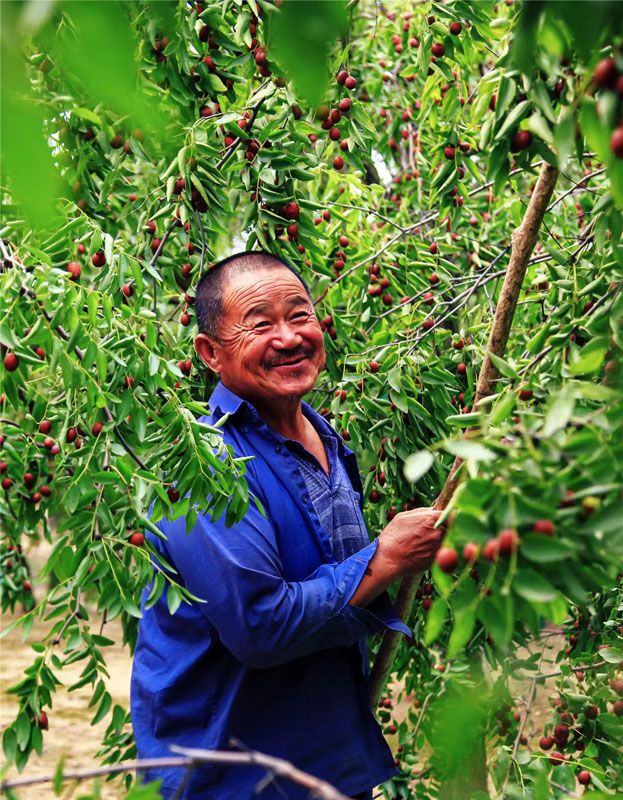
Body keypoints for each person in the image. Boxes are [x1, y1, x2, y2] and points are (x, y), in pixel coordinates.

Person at [130, 250, 445, 800]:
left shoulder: (326, 441)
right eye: (260, 324)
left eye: (299, 315)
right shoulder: (205, 468)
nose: (288, 337)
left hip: (326, 759)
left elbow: (336, 582)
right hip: (231, 775)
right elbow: (261, 627)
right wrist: (387, 558)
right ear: (209, 352)